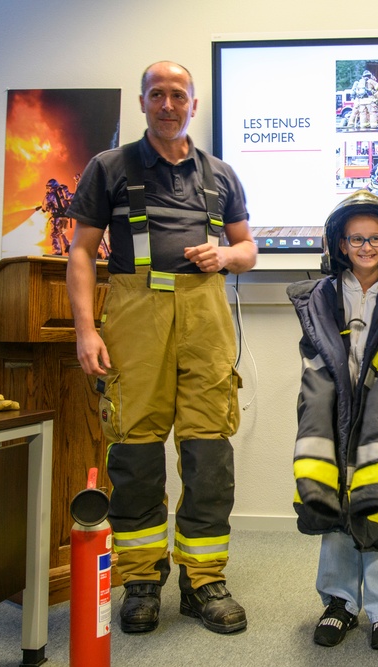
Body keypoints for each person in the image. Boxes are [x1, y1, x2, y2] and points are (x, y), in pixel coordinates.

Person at [65, 60, 258, 636]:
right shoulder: (108, 168)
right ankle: (142, 578)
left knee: (209, 455)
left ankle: (204, 580)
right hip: (133, 312)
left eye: (179, 95)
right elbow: (81, 250)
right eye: (157, 94)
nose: (168, 104)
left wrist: (224, 256)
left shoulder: (220, 173)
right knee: (136, 452)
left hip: (205, 316)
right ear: (143, 102)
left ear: (194, 105)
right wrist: (85, 329)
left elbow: (249, 248)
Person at [286, 189, 378, 651]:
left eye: (375, 239)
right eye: (356, 240)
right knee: (335, 516)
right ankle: (338, 602)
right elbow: (316, 366)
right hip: (336, 421)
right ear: (339, 245)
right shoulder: (321, 296)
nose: (366, 247)